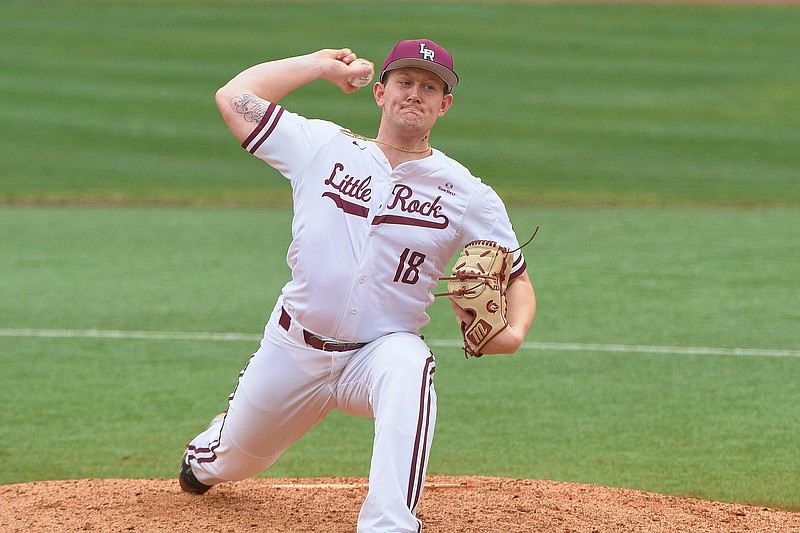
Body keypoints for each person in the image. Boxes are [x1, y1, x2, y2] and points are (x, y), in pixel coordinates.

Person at [179, 39, 536, 533]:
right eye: (405, 82)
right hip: (294, 348)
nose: (416, 93)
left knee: (411, 365)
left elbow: (515, 276)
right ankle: (209, 453)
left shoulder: (467, 193)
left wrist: (513, 333)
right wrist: (319, 66)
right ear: (381, 93)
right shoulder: (321, 145)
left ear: (444, 104)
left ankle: (389, 524)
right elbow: (233, 96)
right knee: (232, 461)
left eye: (430, 87)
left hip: (378, 352)